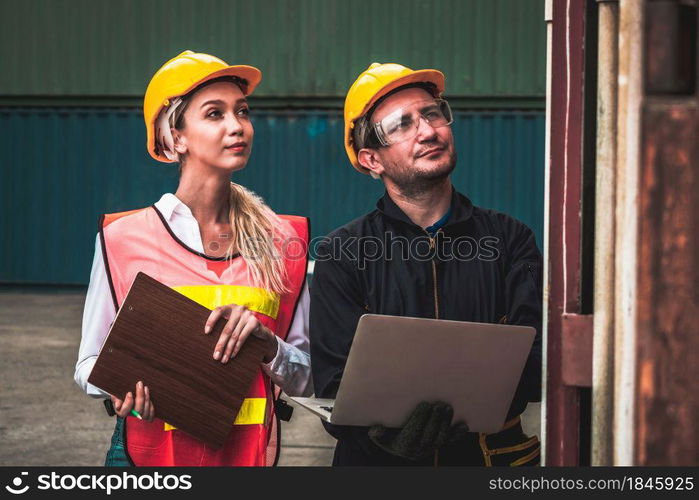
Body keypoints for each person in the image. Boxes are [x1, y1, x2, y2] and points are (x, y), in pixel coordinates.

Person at [74, 51, 312, 467]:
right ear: (176, 137)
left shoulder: (284, 241)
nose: (237, 126)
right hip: (146, 460)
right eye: (215, 114)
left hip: (248, 460)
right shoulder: (123, 238)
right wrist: (119, 387)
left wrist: (266, 344)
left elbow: (307, 377)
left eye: (242, 111)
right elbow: (89, 363)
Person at [310, 63, 542, 466]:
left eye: (432, 114)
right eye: (402, 125)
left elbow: (535, 360)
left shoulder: (510, 239)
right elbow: (334, 386)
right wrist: (385, 440)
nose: (428, 131)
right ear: (371, 160)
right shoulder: (341, 254)